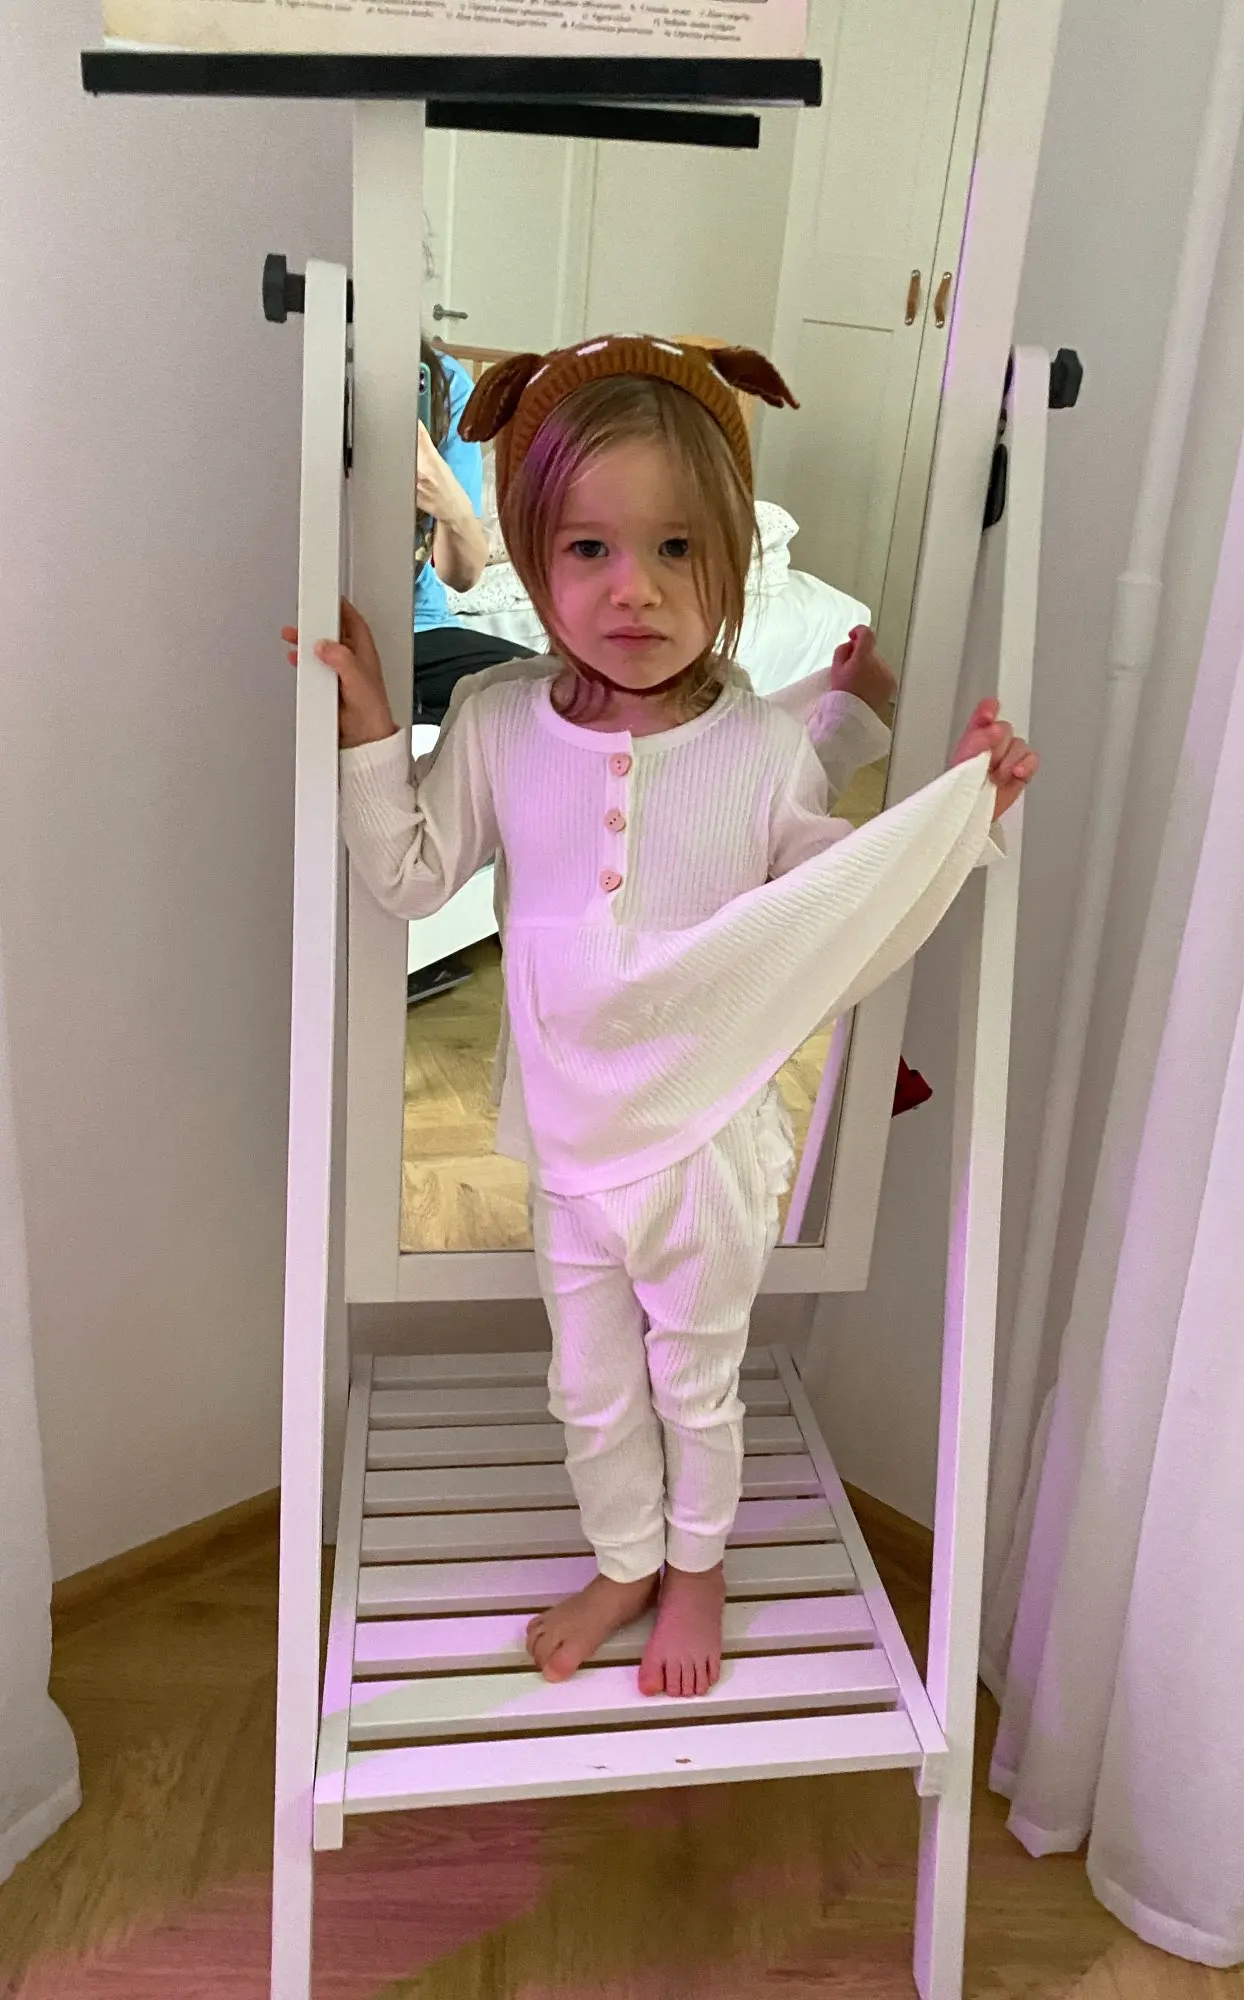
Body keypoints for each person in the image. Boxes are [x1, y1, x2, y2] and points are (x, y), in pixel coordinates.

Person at [287, 334, 1037, 1701]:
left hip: (703, 1146)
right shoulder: (499, 722)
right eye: (589, 549)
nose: (633, 588)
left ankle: (698, 1564)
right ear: (532, 557)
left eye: (678, 549)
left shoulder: (757, 747)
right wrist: (372, 728)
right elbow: (410, 879)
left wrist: (954, 815)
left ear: (732, 562)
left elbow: (832, 903)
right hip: (568, 1145)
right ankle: (625, 1556)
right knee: (589, 1387)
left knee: (695, 1380)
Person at [414, 338, 534, 724]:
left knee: (556, 698)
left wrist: (449, 504)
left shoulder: (445, 383)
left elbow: (462, 577)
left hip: (418, 629)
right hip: (309, 626)